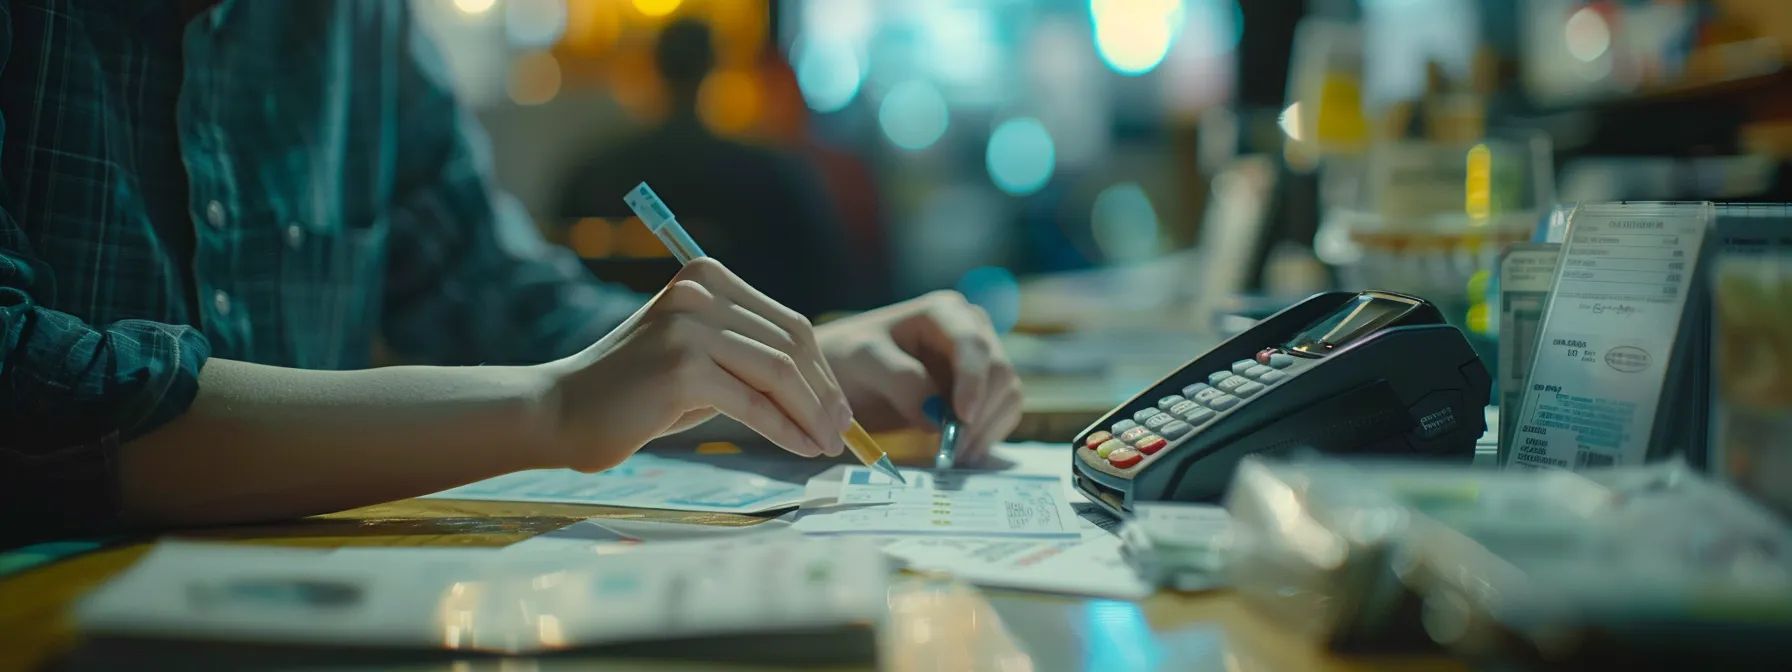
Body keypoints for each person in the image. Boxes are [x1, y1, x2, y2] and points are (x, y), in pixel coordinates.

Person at [0, 1, 1021, 546]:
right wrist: (550, 408)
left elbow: (494, 297)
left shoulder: (362, 30)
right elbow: (26, 393)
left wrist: (778, 361)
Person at [557, 19, 853, 316]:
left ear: (654, 67)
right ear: (712, 68)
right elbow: (829, 289)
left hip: (618, 350)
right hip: (754, 349)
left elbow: (559, 271)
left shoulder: (597, 170)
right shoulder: (772, 175)